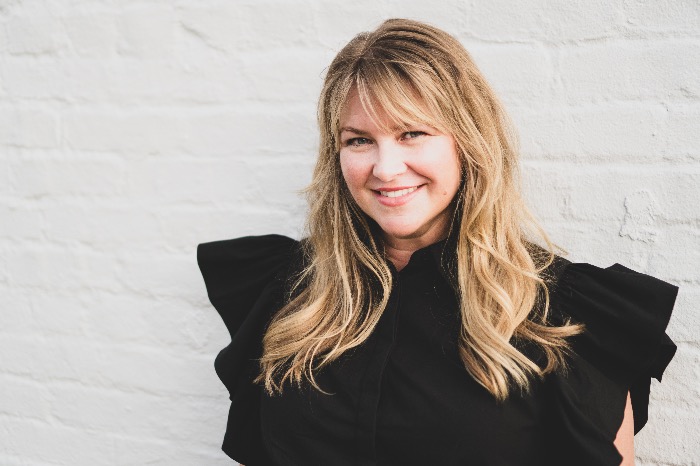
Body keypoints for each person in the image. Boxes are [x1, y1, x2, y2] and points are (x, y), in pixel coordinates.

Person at [197, 18, 679, 466]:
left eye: (411, 133)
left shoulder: (567, 317)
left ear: (467, 142)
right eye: (358, 140)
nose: (384, 169)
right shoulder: (289, 290)